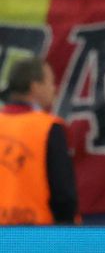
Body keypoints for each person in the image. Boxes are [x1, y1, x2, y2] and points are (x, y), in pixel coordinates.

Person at [0, 58, 78, 225]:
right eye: (50, 82)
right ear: (35, 86)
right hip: (38, 238)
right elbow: (63, 195)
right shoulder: (49, 128)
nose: (54, 89)